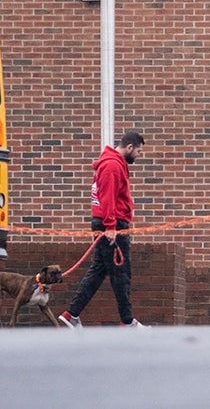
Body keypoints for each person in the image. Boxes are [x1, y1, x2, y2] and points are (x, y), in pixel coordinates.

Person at [58, 130, 147, 328]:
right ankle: (127, 321)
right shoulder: (112, 166)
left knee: (99, 270)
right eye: (139, 152)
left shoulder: (112, 163)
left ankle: (71, 314)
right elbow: (107, 197)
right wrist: (111, 227)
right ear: (129, 147)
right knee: (121, 273)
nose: (139, 156)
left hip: (109, 224)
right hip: (112, 225)